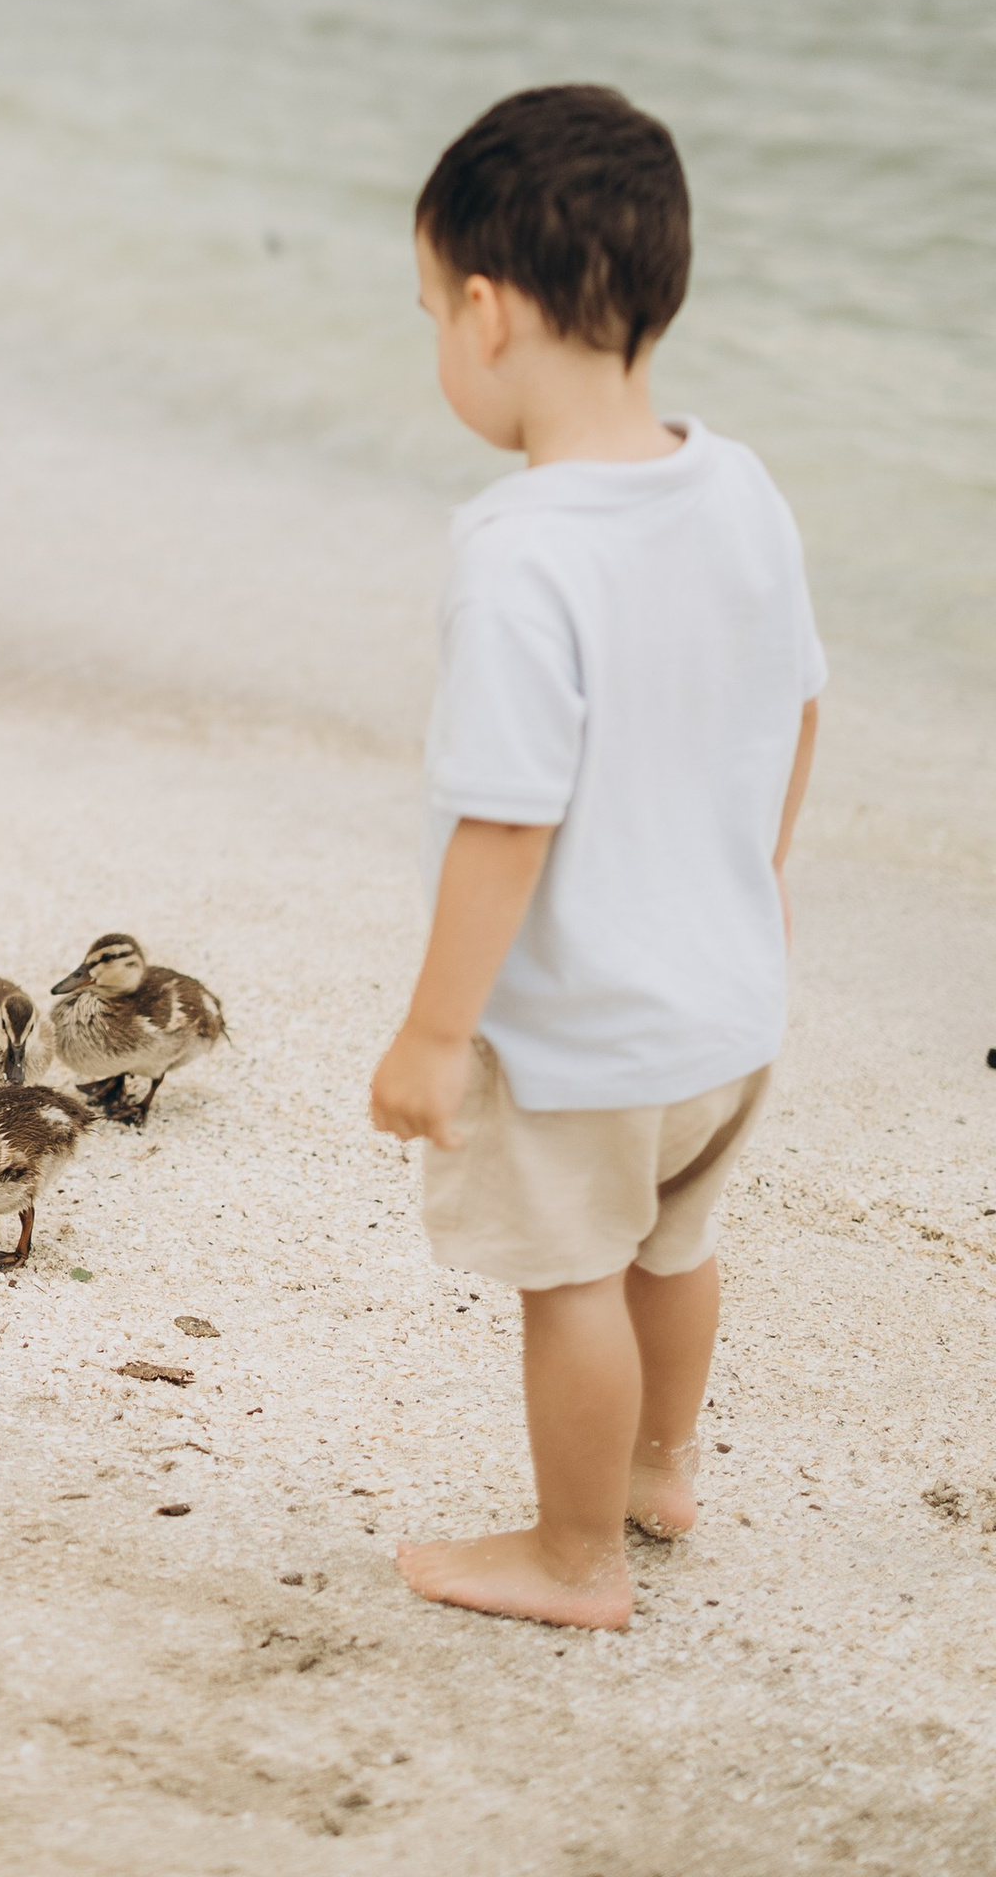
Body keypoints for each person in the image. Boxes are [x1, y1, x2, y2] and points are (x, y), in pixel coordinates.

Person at [370, 83, 823, 1634]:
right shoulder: (740, 483)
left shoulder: (521, 553)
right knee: (672, 1246)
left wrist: (436, 1031)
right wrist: (745, 883)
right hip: (728, 1001)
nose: (440, 336)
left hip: (586, 1036)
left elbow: (508, 814)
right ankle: (657, 1470)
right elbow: (800, 706)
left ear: (487, 316)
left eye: (432, 309)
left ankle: (575, 1557)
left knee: (572, 1276)